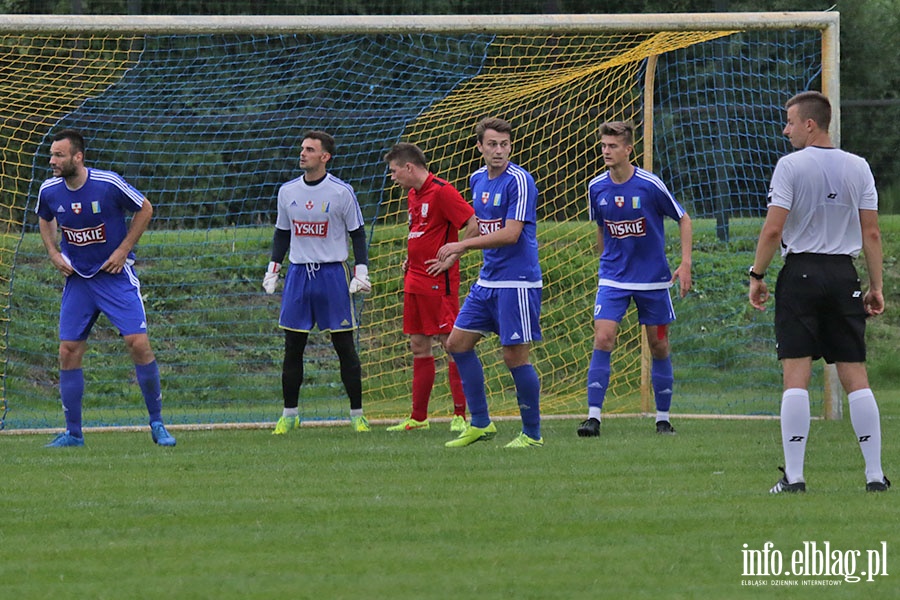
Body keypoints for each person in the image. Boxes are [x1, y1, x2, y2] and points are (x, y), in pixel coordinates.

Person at [749, 91, 890, 493]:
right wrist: (875, 286)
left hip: (802, 274)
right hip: (843, 275)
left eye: (790, 122)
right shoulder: (858, 167)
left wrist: (757, 274)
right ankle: (875, 475)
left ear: (810, 124)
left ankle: (794, 477)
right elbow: (872, 233)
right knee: (855, 376)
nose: (785, 129)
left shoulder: (790, 166)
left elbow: (774, 229)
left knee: (796, 375)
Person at [36, 129, 176, 448]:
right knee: (68, 351)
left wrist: (123, 249)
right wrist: (54, 253)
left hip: (114, 276)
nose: (52, 160)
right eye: (52, 154)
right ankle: (73, 433)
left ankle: (157, 424)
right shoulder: (49, 190)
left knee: (137, 343)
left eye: (59, 155)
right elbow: (45, 219)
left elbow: (145, 208)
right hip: (78, 281)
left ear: (77, 157)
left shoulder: (107, 183)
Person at [577, 120, 692, 438]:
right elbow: (600, 227)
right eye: (603, 145)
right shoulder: (596, 187)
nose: (606, 151)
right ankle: (593, 418)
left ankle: (663, 418)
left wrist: (685, 263)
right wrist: (603, 260)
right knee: (603, 337)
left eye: (613, 146)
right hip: (613, 278)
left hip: (653, 281)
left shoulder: (649, 185)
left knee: (659, 344)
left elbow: (683, 218)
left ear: (629, 149)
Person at [434, 117, 543, 448]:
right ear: (479, 146)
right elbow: (480, 225)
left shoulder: (520, 181)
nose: (499, 150)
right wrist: (457, 254)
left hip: (518, 283)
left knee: (514, 357)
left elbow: (511, 234)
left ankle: (532, 434)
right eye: (492, 144)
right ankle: (481, 423)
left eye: (504, 144)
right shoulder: (477, 179)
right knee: (456, 344)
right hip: (488, 281)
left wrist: (461, 245)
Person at [263, 130, 372, 434]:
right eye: (302, 149)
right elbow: (282, 232)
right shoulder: (287, 191)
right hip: (299, 274)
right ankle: (289, 414)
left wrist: (360, 271)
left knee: (344, 347)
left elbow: (358, 233)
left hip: (332, 275)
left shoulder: (341, 192)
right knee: (293, 347)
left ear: (325, 157)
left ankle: (357, 415)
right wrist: (273, 269)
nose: (303, 154)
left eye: (310, 150)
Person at [383, 142, 477, 433]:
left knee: (451, 344)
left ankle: (460, 414)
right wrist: (410, 259)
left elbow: (473, 223)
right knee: (418, 345)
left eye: (394, 171)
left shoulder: (442, 191)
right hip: (415, 279)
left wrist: (453, 255)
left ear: (409, 167)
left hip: (439, 281)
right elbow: (422, 231)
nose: (393, 176)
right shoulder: (412, 194)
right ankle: (418, 418)